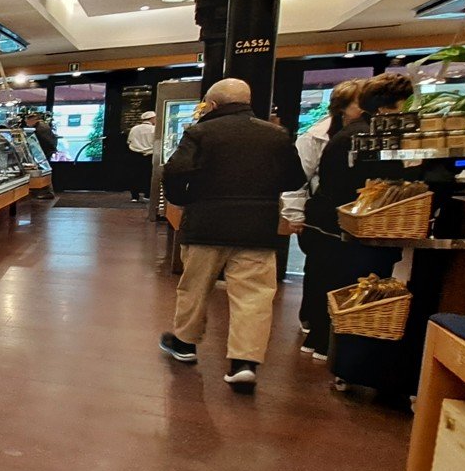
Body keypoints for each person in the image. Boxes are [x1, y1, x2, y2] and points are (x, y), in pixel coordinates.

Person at [159, 78, 306, 390]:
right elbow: (295, 178)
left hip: (206, 224)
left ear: (212, 104)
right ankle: (244, 363)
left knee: (195, 287)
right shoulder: (275, 135)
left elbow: (174, 170)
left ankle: (185, 343)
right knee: (254, 296)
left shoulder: (200, 132)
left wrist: (183, 199)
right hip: (258, 227)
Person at [303, 72, 414, 365]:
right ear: (392, 104)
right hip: (355, 224)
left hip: (331, 218)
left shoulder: (347, 133)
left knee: (328, 280)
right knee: (354, 285)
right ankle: (346, 354)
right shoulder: (372, 136)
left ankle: (322, 340)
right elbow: (388, 182)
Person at [284, 78, 366, 357]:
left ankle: (327, 329)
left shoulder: (363, 133)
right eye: (359, 104)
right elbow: (297, 178)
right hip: (323, 214)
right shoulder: (315, 137)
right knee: (320, 271)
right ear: (342, 106)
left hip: (352, 215)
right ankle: (315, 325)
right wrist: (294, 215)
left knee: (336, 272)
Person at [126, 110, 157, 201]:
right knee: (148, 175)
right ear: (152, 118)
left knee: (134, 175)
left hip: (135, 154)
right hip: (149, 155)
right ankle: (147, 195)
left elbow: (129, 141)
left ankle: (134, 196)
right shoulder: (154, 129)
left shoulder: (134, 129)